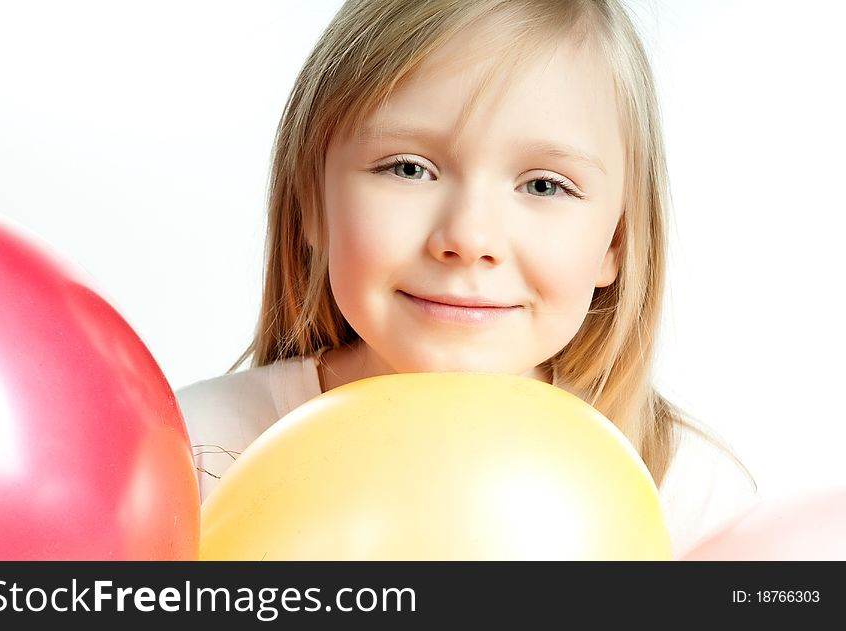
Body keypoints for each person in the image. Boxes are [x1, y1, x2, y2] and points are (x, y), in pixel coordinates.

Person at [176, 0, 758, 558]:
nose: (470, 238)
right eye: (408, 168)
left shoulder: (689, 500)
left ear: (617, 241)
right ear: (312, 203)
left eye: (543, 185)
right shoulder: (191, 454)